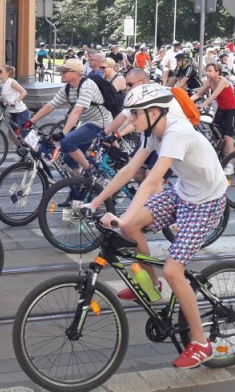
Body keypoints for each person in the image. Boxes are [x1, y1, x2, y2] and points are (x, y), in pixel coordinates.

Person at [84, 84, 227, 369]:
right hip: (183, 192)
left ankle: (201, 343)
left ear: (153, 112)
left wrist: (122, 217)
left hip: (207, 203)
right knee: (131, 227)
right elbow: (128, 171)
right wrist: (95, 203)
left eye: (134, 115)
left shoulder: (176, 132)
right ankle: (150, 287)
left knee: (175, 270)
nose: (130, 120)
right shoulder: (152, 131)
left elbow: (150, 182)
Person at [24, 59, 113, 178]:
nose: (62, 74)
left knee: (67, 142)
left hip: (100, 123)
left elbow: (76, 112)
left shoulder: (87, 85)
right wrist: (30, 121)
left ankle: (89, 172)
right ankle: (80, 185)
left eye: (65, 71)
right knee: (69, 159)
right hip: (86, 123)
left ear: (76, 73)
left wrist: (63, 133)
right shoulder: (68, 88)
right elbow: (51, 105)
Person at [191, 64, 235, 175]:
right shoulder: (208, 82)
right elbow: (199, 93)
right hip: (221, 109)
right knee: (215, 132)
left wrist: (202, 105)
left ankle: (231, 165)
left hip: (231, 110)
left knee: (227, 137)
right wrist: (185, 102)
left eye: (210, 71)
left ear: (217, 72)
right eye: (206, 71)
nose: (207, 73)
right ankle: (220, 154)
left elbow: (213, 96)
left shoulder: (223, 81)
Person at [0, 64, 29, 130]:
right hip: (12, 112)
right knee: (12, 135)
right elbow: (8, 95)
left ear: (7, 73)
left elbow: (24, 92)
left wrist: (15, 102)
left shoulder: (12, 82)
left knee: (23, 136)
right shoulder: (4, 84)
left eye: (0, 71)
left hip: (20, 112)